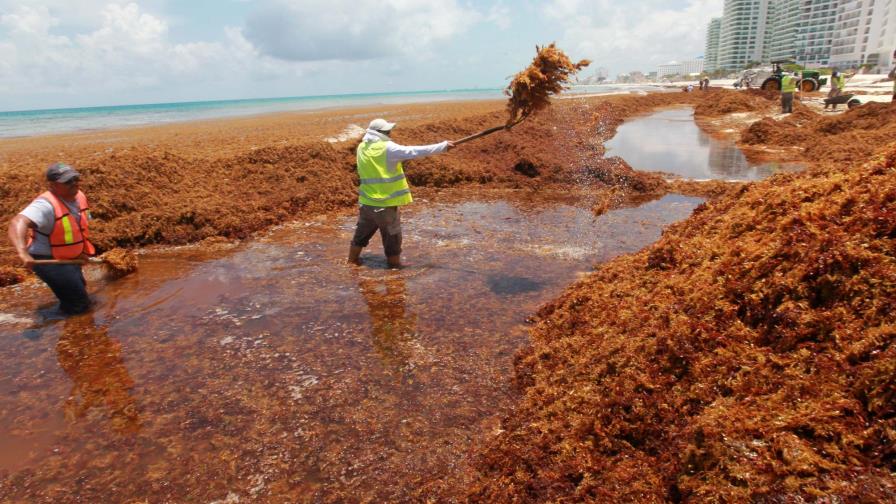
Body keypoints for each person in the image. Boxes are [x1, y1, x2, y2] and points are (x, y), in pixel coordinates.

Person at [348, 119, 454, 268]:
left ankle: (351, 262)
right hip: (385, 205)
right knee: (393, 238)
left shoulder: (361, 147)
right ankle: (395, 270)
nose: (390, 133)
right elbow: (413, 151)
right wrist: (441, 147)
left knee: (360, 236)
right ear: (381, 133)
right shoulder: (387, 148)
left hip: (367, 203)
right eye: (387, 131)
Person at [8, 163, 96, 315]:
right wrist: (22, 252)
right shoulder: (45, 205)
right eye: (68, 181)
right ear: (52, 185)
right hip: (48, 260)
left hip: (69, 257)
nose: (74, 183)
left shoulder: (79, 196)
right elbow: (18, 222)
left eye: (75, 178)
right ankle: (69, 331)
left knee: (78, 290)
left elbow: (76, 229)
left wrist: (79, 252)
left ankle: (64, 319)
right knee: (79, 305)